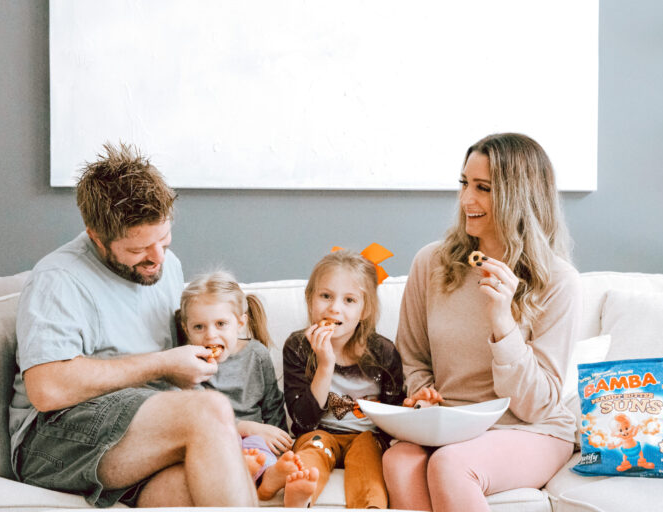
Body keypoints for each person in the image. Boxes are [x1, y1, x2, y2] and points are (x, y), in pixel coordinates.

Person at [9, 143, 258, 507]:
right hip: (54, 441)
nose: (157, 257)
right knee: (210, 410)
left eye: (163, 238)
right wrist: (165, 364)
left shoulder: (165, 266)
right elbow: (47, 390)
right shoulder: (58, 278)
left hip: (134, 435)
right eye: (139, 248)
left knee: (192, 488)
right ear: (97, 236)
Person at [382, 133, 582, 511]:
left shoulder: (558, 280)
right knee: (399, 460)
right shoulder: (432, 264)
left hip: (530, 429)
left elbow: (538, 405)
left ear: (518, 196)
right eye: (464, 183)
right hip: (449, 423)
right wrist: (424, 398)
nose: (465, 200)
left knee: (452, 464)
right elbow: (412, 357)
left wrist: (503, 321)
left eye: (483, 188)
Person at [178, 270, 318, 507]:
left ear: (240, 322)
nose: (211, 335)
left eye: (221, 324)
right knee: (220, 454)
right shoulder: (189, 363)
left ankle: (269, 479)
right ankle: (257, 476)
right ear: (186, 328)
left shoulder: (257, 355)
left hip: (256, 440)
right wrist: (247, 427)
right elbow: (197, 415)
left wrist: (279, 440)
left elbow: (272, 402)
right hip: (214, 437)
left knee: (257, 449)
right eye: (199, 327)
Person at [282, 248, 406, 509]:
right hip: (317, 433)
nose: (334, 308)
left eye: (349, 300)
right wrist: (325, 365)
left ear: (365, 309)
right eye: (326, 296)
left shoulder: (383, 352)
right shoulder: (299, 347)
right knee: (314, 452)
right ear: (310, 299)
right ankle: (301, 493)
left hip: (368, 437)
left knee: (368, 458)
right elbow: (303, 422)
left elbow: (394, 416)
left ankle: (370, 505)